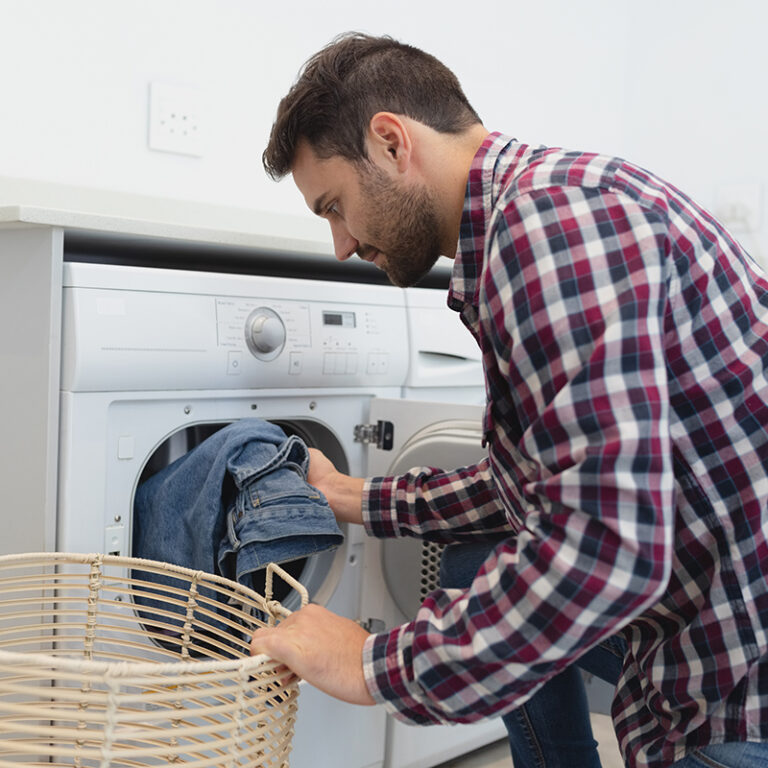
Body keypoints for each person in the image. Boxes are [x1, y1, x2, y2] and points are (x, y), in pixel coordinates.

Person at [249, 32, 768, 768]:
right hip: (721, 621)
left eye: (335, 205)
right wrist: (357, 496)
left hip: (736, 688)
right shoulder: (544, 211)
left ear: (393, 142)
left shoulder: (550, 227)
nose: (339, 243)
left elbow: (606, 548)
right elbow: (542, 486)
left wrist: (372, 665)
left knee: (538, 568)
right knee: (478, 563)